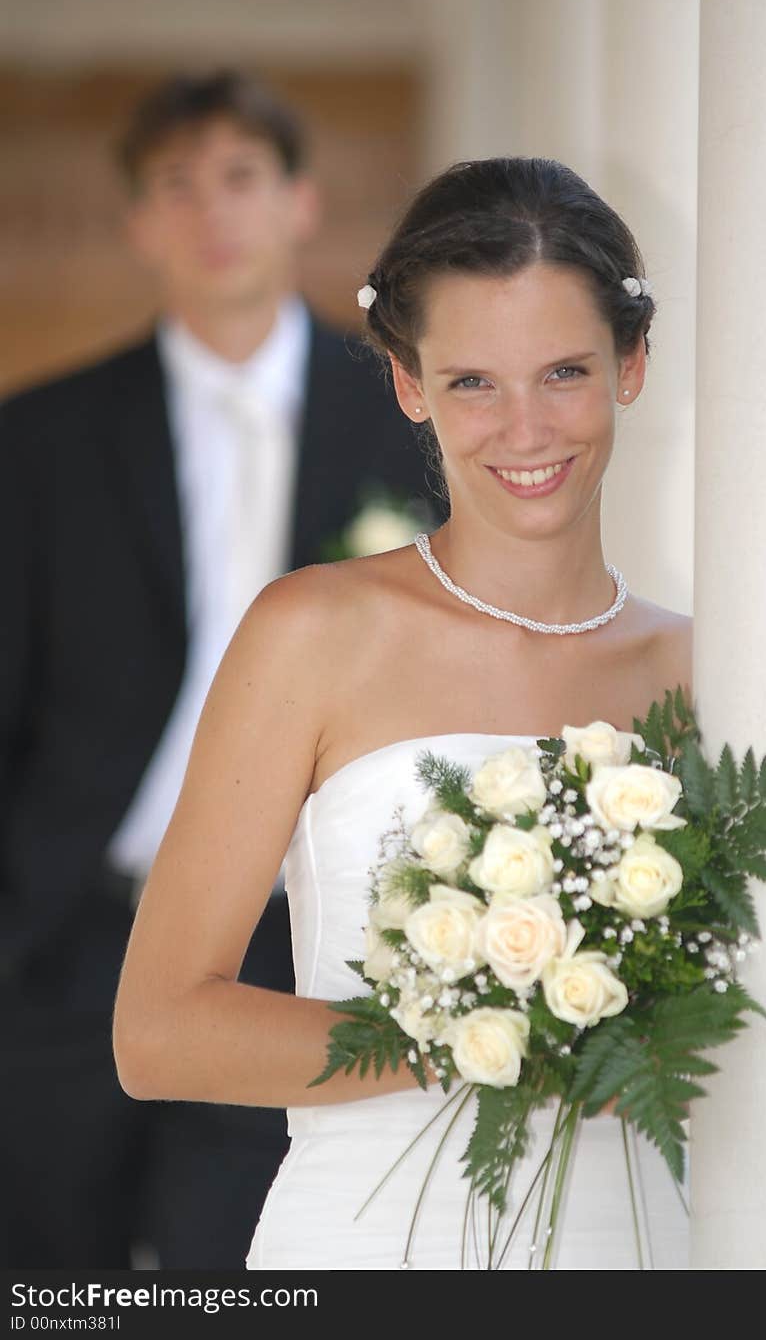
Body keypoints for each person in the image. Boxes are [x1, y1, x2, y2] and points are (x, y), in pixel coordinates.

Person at [113, 156, 693, 1270]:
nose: (524, 429)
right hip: (374, 1242)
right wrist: (481, 1030)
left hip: (649, 1242)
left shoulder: (700, 666)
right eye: (473, 381)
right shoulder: (312, 632)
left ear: (631, 364)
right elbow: (158, 1031)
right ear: (408, 383)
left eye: (563, 371)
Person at [0, 70, 439, 1269]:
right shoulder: (38, 439)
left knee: (235, 1277)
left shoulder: (406, 417)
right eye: (176, 187)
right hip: (69, 944)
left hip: (306, 945)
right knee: (50, 1286)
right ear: (139, 223)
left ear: (299, 202)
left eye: (241, 178)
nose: (212, 213)